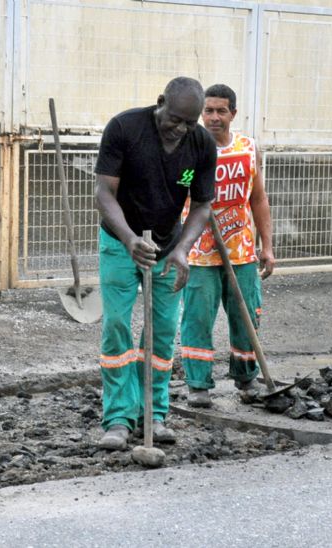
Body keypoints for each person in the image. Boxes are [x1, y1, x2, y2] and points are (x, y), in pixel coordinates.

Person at [94, 77, 217, 450]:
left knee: (162, 331)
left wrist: (183, 248)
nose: (180, 129)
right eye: (175, 119)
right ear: (160, 102)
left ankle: (155, 413)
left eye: (189, 123)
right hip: (120, 242)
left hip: (167, 246)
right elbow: (103, 193)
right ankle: (118, 418)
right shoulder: (125, 128)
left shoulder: (201, 144)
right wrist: (130, 238)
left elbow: (202, 205)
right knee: (117, 325)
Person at [180, 84, 275, 408]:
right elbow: (177, 194)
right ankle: (198, 386)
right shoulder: (188, 149)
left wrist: (267, 247)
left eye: (221, 111)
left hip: (241, 250)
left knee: (246, 314)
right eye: (208, 110)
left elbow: (258, 199)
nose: (214, 117)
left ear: (233, 113)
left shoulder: (248, 149)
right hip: (199, 251)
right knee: (197, 318)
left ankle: (247, 379)